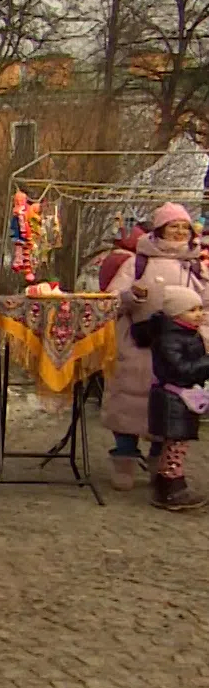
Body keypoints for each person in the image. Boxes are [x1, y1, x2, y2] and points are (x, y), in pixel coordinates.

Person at [103, 204, 207, 489]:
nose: (179, 232)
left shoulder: (197, 266)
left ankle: (158, 461)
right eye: (173, 226)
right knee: (129, 402)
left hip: (178, 351)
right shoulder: (137, 262)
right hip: (137, 345)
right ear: (160, 229)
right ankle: (124, 458)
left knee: (168, 406)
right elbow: (109, 300)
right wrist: (130, 298)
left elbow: (207, 307)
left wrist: (203, 339)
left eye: (184, 227)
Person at [143, 286, 209, 511]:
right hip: (174, 400)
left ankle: (169, 484)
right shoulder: (170, 339)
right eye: (192, 310)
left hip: (183, 399)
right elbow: (180, 369)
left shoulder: (188, 334)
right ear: (176, 313)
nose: (199, 314)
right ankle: (170, 489)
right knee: (175, 447)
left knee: (177, 446)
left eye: (200, 308)